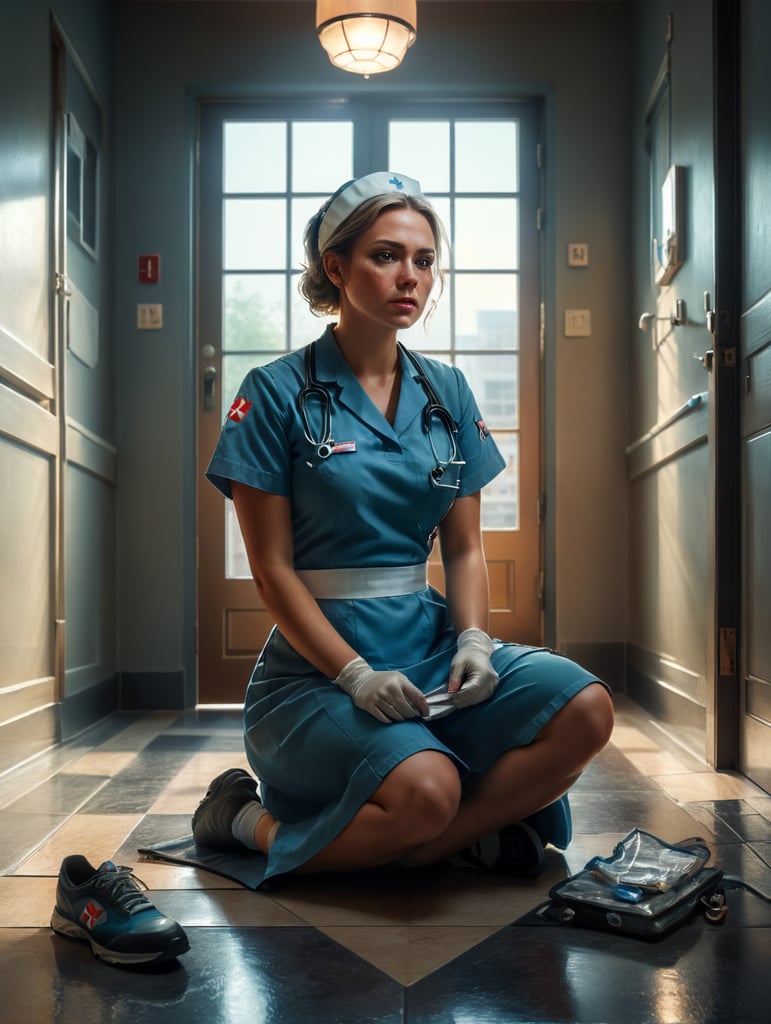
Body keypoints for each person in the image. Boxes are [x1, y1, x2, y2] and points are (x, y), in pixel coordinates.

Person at [193, 170, 614, 887]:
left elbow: (464, 547)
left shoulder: (446, 393)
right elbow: (270, 570)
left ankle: (422, 844)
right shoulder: (271, 392)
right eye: (385, 256)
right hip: (315, 670)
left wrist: (474, 640)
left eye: (423, 260)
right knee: (426, 790)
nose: (409, 277)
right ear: (336, 267)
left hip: (425, 644)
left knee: (587, 708)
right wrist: (353, 674)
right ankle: (243, 821)